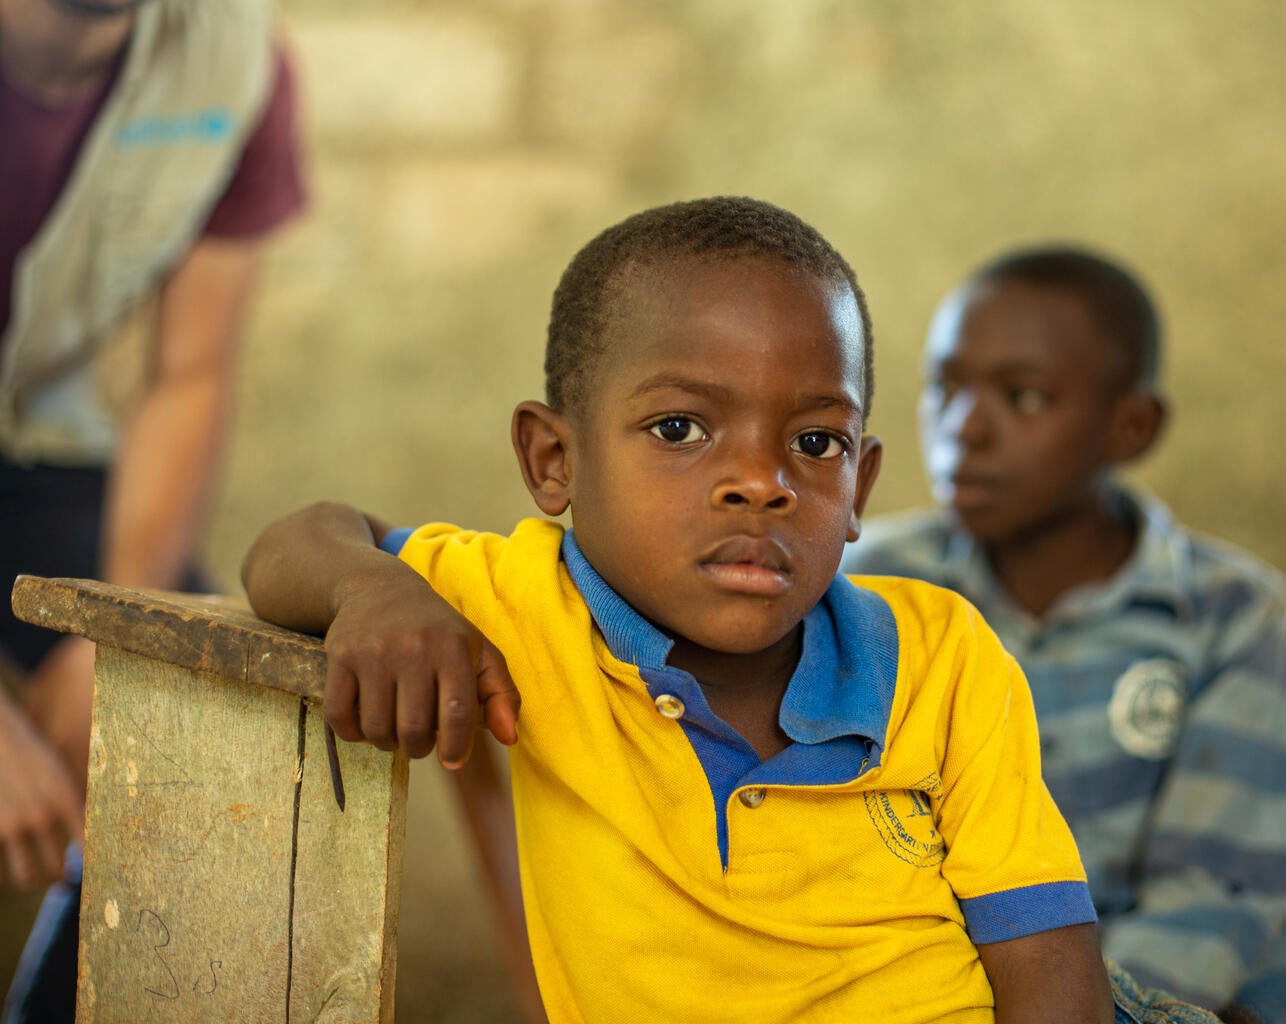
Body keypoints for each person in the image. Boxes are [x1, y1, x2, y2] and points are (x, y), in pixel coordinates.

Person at [241, 197, 1219, 1023]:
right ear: (555, 460)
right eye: (681, 427)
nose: (760, 480)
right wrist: (372, 588)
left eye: (816, 443)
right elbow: (296, 543)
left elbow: (1046, 959)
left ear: (862, 487)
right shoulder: (526, 602)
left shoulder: (943, 656)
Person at [841, 247, 1286, 1024]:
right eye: (945, 388)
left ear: (1130, 427)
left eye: (1024, 398)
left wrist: (1089, 1007)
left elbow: (1220, 884)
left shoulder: (1230, 610)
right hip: (976, 964)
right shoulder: (872, 587)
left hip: (1226, 956)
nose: (963, 429)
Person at [0, 0, 304, 1017]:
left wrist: (116, 626)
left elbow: (188, 374)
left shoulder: (232, 62)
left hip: (35, 437)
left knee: (199, 708)